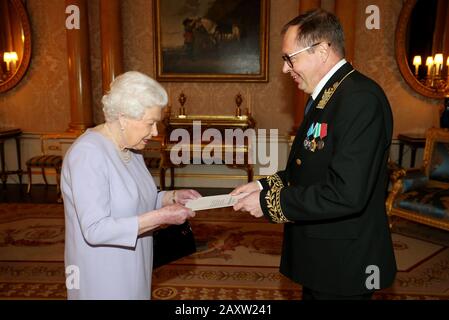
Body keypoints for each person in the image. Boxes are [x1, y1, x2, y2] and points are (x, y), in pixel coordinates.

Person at [232, 9, 397, 300]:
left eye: (289, 58)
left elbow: (346, 193)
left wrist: (270, 203)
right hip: (324, 256)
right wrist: (263, 185)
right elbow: (308, 168)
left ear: (321, 50)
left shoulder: (360, 99)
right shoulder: (329, 96)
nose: (285, 69)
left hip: (344, 263)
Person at [61, 71, 201, 299]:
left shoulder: (131, 148)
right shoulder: (88, 154)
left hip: (136, 263)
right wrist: (161, 217)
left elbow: (138, 199)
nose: (155, 132)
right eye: (150, 123)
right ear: (124, 118)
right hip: (103, 273)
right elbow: (95, 230)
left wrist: (171, 197)